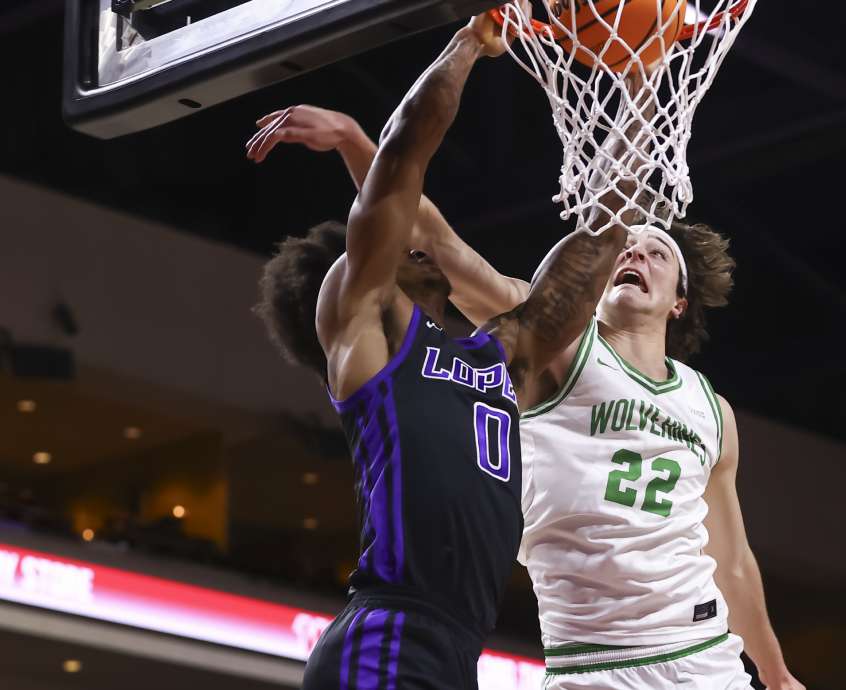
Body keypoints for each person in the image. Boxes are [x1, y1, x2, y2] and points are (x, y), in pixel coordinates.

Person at [251, 87, 803, 690]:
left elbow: (732, 560)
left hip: (702, 652)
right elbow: (433, 241)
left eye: (657, 253)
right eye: (628, 246)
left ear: (679, 303)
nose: (635, 254)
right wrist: (360, 146)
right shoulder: (548, 340)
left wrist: (775, 674)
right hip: (592, 661)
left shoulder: (711, 409)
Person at [251, 12, 627, 689]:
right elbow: (400, 168)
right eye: (401, 244)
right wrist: (466, 47)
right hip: (392, 631)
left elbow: (566, 293)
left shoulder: (495, 358)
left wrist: (627, 155)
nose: (424, 241)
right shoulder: (368, 334)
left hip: (456, 647)